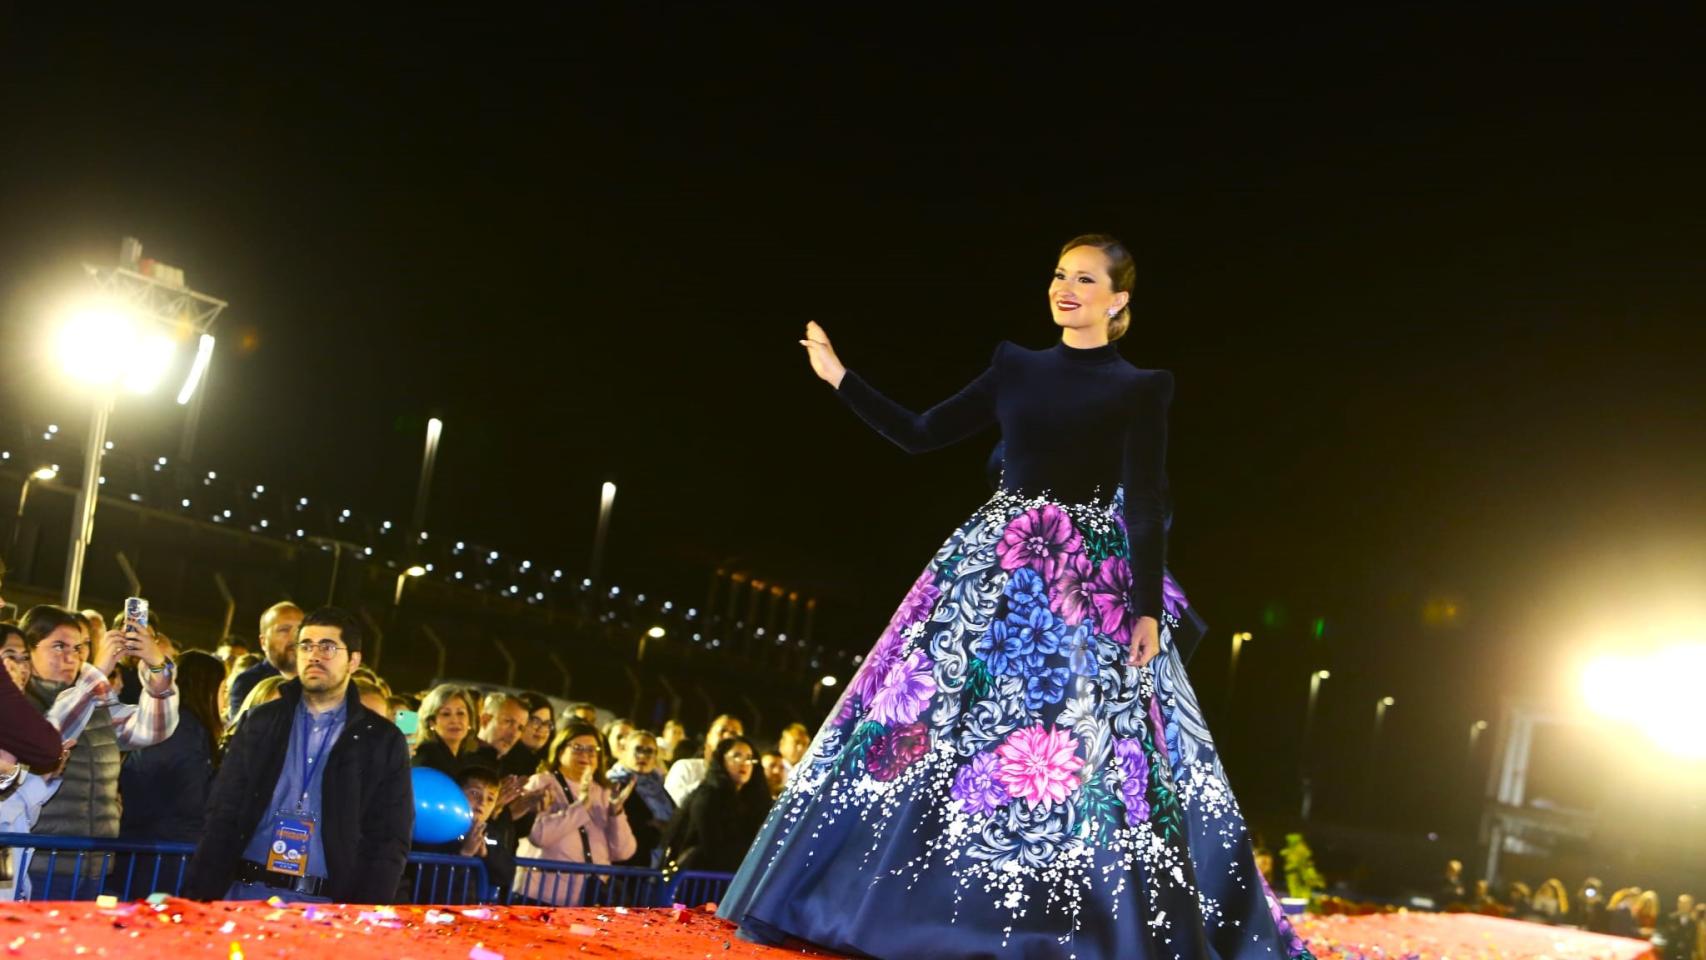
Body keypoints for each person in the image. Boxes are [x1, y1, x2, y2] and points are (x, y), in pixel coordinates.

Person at [718, 235, 1313, 960]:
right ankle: (893, 906)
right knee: (937, 731)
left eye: (1085, 279)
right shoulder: (1015, 365)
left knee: (1081, 751)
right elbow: (921, 434)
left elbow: (1147, 504)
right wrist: (839, 376)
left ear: (1118, 299)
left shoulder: (1142, 387)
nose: (1066, 289)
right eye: (1060, 275)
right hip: (991, 570)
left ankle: (1068, 921)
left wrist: (1147, 609)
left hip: (1083, 588)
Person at [185, 606, 412, 903]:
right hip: (243, 896)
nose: (314, 655)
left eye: (327, 647)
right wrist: (198, 893)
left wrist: (364, 911)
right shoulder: (261, 721)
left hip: (325, 908)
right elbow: (222, 812)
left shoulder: (381, 739)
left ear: (354, 660)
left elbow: (389, 838)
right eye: (306, 646)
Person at [21, 605, 178, 899]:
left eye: (79, 647)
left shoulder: (94, 700)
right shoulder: (18, 701)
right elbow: (49, 738)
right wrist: (98, 673)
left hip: (95, 863)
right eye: (59, 646)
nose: (72, 657)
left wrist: (157, 670)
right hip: (35, 862)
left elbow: (151, 729)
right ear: (29, 650)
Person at [512, 721, 636, 905]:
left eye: (592, 750)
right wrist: (581, 807)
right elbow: (539, 835)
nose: (585, 755)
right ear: (560, 751)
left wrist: (616, 814)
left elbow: (623, 852)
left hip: (588, 899)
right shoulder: (541, 783)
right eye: (577, 748)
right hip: (541, 895)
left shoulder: (604, 791)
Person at [119, 650, 224, 844]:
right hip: (165, 844)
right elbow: (192, 799)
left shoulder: (180, 726)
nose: (225, 703)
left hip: (152, 840)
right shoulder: (185, 731)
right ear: (207, 690)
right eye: (223, 691)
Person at [405, 764, 516, 904]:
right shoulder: (437, 827)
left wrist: (486, 854)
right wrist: (464, 854)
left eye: (490, 799)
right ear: (456, 793)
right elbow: (428, 881)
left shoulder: (490, 834)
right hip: (432, 908)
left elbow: (506, 875)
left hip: (471, 910)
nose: (482, 802)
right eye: (474, 793)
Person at [661, 736, 771, 873]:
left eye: (749, 758)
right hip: (701, 877)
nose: (744, 763)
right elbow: (711, 846)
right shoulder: (707, 796)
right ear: (721, 760)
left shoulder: (753, 800)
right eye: (737, 756)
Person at [606, 728, 674, 867]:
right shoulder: (615, 784)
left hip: (657, 865)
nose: (643, 756)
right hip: (628, 866)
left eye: (649, 751)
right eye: (638, 749)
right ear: (625, 751)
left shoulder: (658, 786)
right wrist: (658, 829)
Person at [225, 602, 304, 718]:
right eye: (284, 630)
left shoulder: (320, 681)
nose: (295, 637)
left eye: (300, 630)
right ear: (263, 642)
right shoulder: (248, 682)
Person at [664, 713, 742, 805]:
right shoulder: (685, 767)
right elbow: (670, 802)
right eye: (722, 731)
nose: (728, 736)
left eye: (734, 733)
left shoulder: (743, 776)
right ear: (708, 737)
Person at [411, 684, 483, 775]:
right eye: (446, 714)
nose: (455, 720)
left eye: (460, 713)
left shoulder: (470, 759)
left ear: (470, 720)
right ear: (431, 722)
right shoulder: (425, 759)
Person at [504, 692, 554, 779]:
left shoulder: (550, 766)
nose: (541, 728)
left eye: (547, 723)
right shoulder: (503, 759)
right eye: (535, 721)